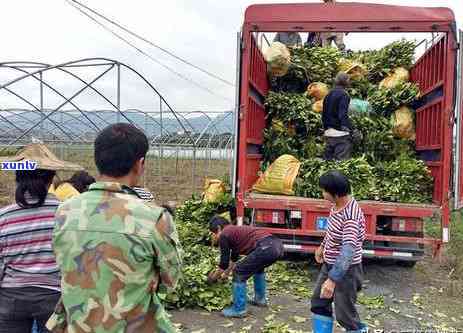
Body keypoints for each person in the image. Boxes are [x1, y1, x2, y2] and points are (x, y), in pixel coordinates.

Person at [45, 123, 183, 333]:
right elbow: (171, 279)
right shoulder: (154, 218)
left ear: (98, 161)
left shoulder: (64, 211)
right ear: (140, 164)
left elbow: (62, 264)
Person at [0, 143, 83, 333]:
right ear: (51, 179)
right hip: (55, 299)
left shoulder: (4, 217)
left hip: (11, 298)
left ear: (17, 179)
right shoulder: (69, 214)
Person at [310, 171, 367, 333]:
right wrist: (322, 246)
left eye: (324, 191)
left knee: (345, 315)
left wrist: (332, 280)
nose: (322, 194)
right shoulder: (337, 206)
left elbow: (348, 252)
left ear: (335, 194)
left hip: (346, 271)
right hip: (330, 265)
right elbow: (332, 231)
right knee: (319, 302)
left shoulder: (351, 217)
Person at [208, 216, 284, 318]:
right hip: (276, 245)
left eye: (214, 233)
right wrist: (225, 274)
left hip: (265, 247)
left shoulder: (224, 234)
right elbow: (233, 259)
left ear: (218, 228)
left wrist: (212, 278)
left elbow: (223, 264)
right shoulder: (234, 232)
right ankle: (260, 300)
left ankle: (239, 309)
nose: (215, 237)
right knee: (257, 268)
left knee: (239, 272)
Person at [322, 72, 361, 161]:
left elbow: (323, 115)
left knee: (327, 164)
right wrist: (352, 129)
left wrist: (326, 130)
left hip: (328, 133)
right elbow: (342, 115)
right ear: (346, 82)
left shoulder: (328, 95)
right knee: (341, 164)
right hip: (340, 136)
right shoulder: (344, 95)